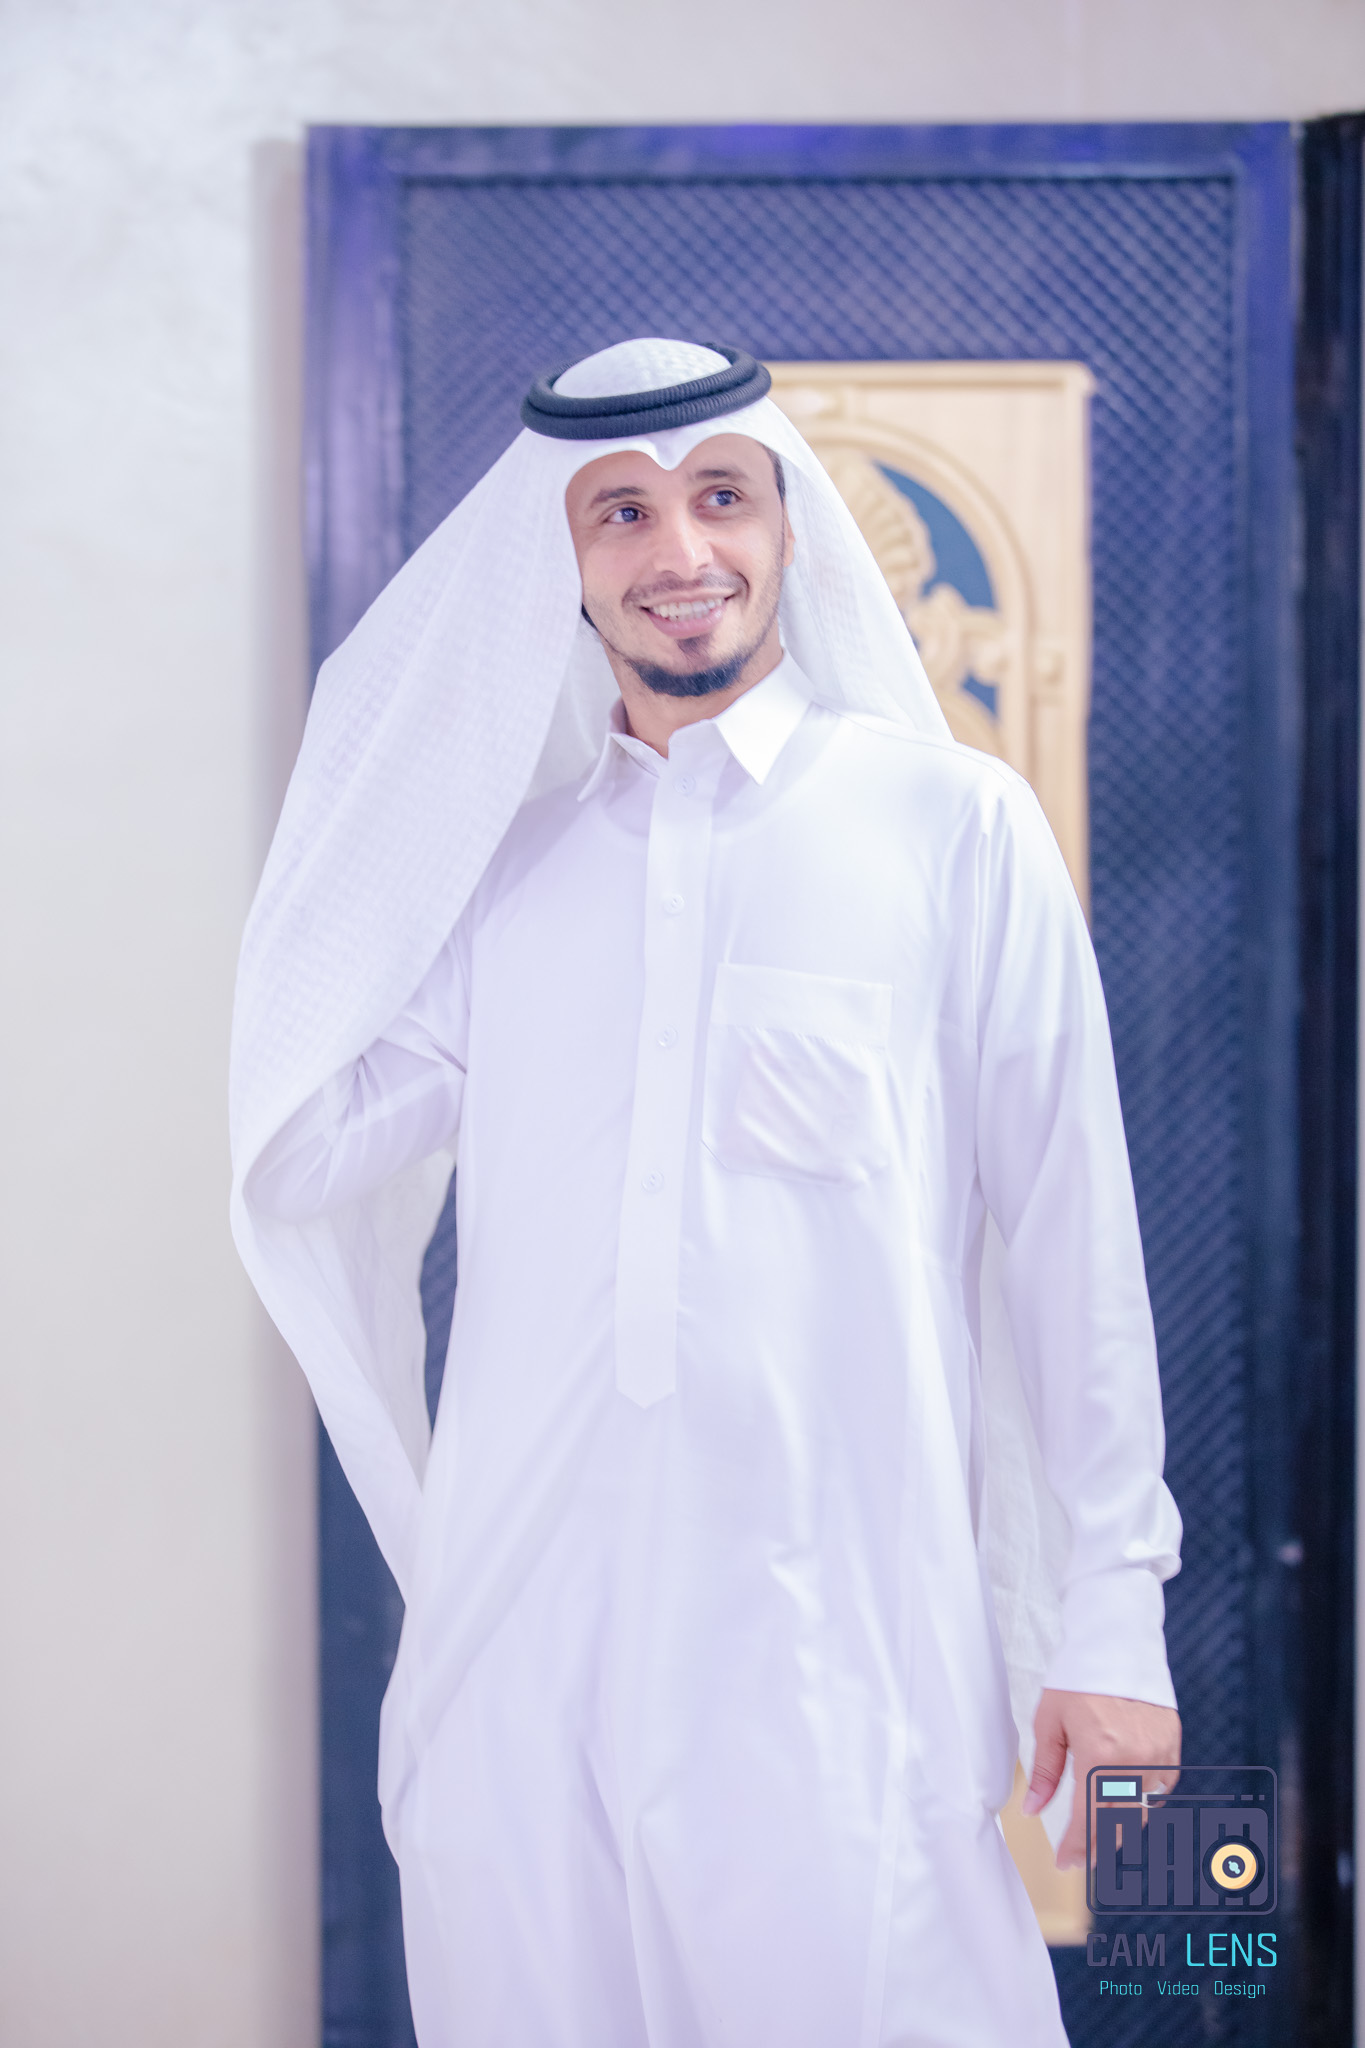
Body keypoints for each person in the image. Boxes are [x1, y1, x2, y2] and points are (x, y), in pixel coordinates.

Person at [231, 338, 1182, 2047]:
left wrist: (1112, 1621)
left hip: (833, 1655)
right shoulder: (507, 882)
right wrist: (396, 793)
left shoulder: (951, 830)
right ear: (562, 562)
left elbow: (1072, 1249)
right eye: (620, 513)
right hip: (519, 1674)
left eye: (720, 498)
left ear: (787, 527)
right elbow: (297, 1148)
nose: (680, 551)